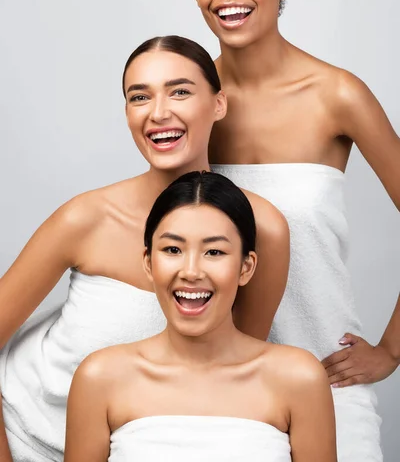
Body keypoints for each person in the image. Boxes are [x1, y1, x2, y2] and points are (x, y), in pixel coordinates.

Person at [0, 36, 289, 461]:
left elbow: (228, 374)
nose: (159, 113)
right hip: (21, 431)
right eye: (140, 97)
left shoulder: (261, 229)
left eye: (180, 91)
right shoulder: (86, 218)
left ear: (219, 104)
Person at [188, 0, 400, 461]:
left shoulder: (337, 95)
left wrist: (393, 349)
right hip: (217, 389)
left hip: (327, 382)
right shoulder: (189, 103)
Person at [65, 171, 336, 462]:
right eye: (173, 249)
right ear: (148, 262)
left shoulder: (299, 379)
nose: (191, 272)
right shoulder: (100, 378)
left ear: (246, 267)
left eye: (214, 252)